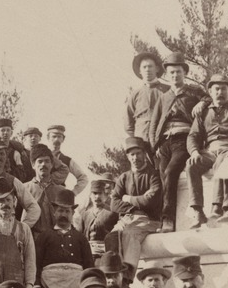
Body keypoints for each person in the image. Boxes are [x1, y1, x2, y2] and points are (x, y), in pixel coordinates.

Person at [148, 52, 207, 232]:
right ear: (167, 74)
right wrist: (155, 146)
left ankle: (168, 220)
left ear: (184, 72)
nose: (175, 76)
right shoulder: (163, 97)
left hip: (183, 140)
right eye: (172, 72)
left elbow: (210, 97)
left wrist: (202, 103)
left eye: (178, 72)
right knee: (162, 178)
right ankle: (163, 220)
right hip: (164, 142)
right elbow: (154, 122)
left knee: (171, 171)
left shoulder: (194, 91)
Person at [33, 186, 95, 288]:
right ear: (54, 212)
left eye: (67, 211)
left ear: (73, 213)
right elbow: (34, 266)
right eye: (60, 210)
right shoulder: (44, 237)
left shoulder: (80, 239)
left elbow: (89, 269)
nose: (63, 214)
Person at [186, 73, 228, 227]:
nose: (220, 92)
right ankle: (197, 211)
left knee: (223, 161)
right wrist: (195, 152)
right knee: (191, 165)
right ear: (210, 92)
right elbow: (193, 136)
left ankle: (218, 207)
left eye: (224, 89)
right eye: (216, 89)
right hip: (208, 151)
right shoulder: (203, 112)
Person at [110, 136, 162, 269]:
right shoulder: (124, 177)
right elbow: (114, 204)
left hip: (148, 219)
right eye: (132, 154)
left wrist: (128, 198)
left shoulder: (154, 175)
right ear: (128, 157)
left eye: (138, 153)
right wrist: (137, 204)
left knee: (130, 234)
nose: (135, 158)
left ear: (144, 154)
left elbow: (151, 201)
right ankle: (114, 275)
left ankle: (127, 278)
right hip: (127, 218)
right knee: (111, 237)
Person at [0, 137, 42, 228]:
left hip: (6, 225)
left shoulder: (13, 181)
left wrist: (22, 228)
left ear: (6, 156)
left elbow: (33, 207)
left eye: (2, 154)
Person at [125, 51, 168, 142]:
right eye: (144, 67)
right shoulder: (135, 94)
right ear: (140, 71)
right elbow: (128, 123)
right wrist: (137, 139)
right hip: (142, 139)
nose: (147, 70)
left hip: (162, 138)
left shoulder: (167, 90)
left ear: (157, 69)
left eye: (150, 66)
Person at [73, 178, 119, 258]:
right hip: (88, 254)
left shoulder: (112, 214)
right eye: (94, 193)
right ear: (90, 195)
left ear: (105, 195)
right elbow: (80, 236)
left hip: (106, 255)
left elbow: (116, 238)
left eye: (100, 193)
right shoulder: (84, 214)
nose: (97, 196)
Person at [45, 125, 89, 198]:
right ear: (48, 137)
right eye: (54, 136)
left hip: (57, 198)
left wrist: (73, 193)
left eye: (59, 136)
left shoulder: (67, 160)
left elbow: (83, 178)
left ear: (63, 139)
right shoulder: (39, 156)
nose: (56, 139)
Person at [0, 117, 33, 182]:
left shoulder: (16, 151)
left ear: (11, 133)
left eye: (8, 130)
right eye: (2, 130)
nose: (5, 133)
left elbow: (22, 174)